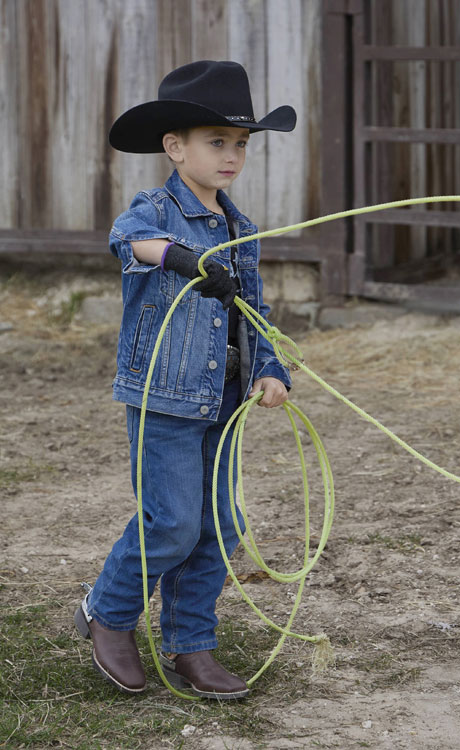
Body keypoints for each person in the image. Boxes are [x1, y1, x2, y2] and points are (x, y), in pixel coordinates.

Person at [74, 60, 297, 700]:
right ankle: (107, 612)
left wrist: (270, 367)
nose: (231, 156)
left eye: (241, 145)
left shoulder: (240, 228)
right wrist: (182, 257)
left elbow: (254, 311)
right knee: (171, 521)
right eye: (216, 142)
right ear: (175, 148)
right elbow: (129, 241)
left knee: (218, 526)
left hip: (223, 399)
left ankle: (190, 643)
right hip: (165, 396)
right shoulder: (156, 209)